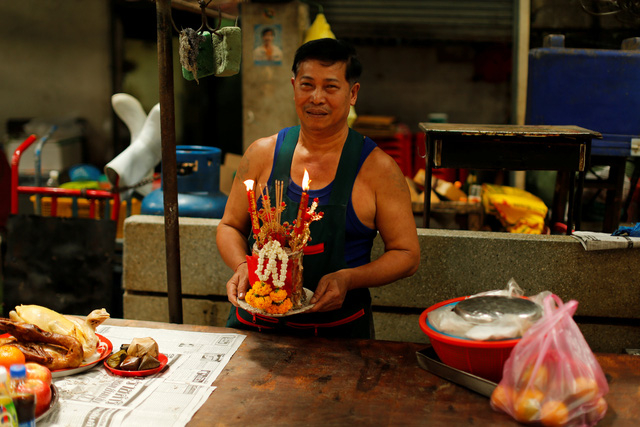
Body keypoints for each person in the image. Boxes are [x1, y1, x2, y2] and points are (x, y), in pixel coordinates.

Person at [217, 38, 420, 338]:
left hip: (337, 338)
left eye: (331, 87)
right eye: (307, 85)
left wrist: (348, 279)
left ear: (353, 94)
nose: (316, 98)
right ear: (293, 85)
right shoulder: (260, 154)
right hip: (254, 332)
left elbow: (407, 254)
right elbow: (229, 226)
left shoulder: (379, 170)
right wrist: (241, 265)